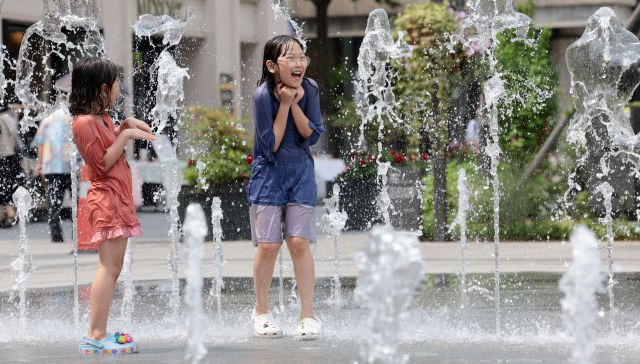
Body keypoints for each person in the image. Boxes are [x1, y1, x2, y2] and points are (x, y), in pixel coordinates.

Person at [70, 57, 155, 355]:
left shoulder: (103, 118)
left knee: (114, 267)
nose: (121, 90)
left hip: (116, 197)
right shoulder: (84, 123)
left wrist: (125, 126)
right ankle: (95, 334)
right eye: (118, 84)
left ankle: (98, 331)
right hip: (106, 199)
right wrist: (127, 135)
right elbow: (102, 163)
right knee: (108, 267)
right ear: (103, 88)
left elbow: (109, 149)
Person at [247, 35, 324, 339]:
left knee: (298, 243)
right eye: (290, 58)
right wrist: (283, 104)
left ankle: (308, 314)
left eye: (302, 57)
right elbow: (271, 145)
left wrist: (293, 104)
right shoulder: (262, 96)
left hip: (301, 174)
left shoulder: (311, 90)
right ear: (271, 65)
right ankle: (261, 311)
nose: (298, 64)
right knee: (268, 245)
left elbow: (311, 134)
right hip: (268, 174)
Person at [33, 100, 73, 242]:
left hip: (52, 167)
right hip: (71, 166)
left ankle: (56, 235)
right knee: (77, 203)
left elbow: (40, 142)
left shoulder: (47, 120)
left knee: (54, 203)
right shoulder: (72, 118)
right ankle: (78, 233)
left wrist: (39, 162)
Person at [0, 105, 25, 228]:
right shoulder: (9, 118)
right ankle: (11, 214)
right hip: (11, 156)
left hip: (3, 156)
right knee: (10, 185)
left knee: (4, 187)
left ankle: (9, 214)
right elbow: (16, 137)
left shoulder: (2, 118)